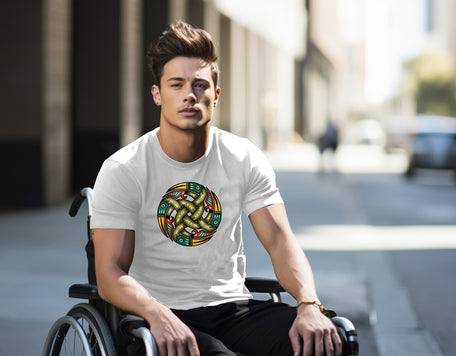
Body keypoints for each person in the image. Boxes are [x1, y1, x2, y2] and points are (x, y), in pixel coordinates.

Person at [90, 20, 341, 356]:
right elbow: (108, 273)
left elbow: (281, 242)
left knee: (328, 341)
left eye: (199, 85)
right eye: (176, 85)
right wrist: (155, 312)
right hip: (154, 315)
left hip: (232, 310)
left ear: (216, 94)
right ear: (157, 94)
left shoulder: (243, 157)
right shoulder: (124, 168)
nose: (189, 95)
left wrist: (309, 304)